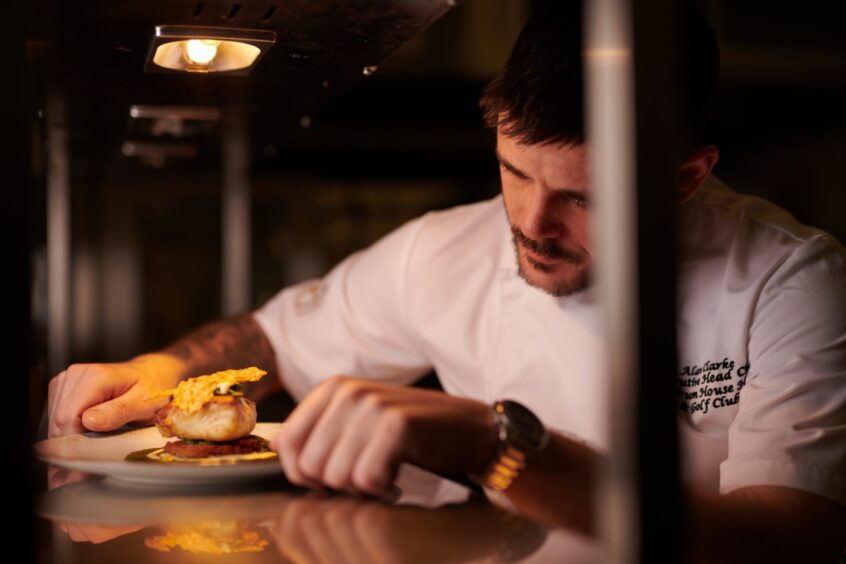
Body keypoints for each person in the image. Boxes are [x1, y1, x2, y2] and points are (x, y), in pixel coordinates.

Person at [46, 2, 845, 561]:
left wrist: (493, 443)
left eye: (584, 197)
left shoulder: (791, 280)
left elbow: (788, 542)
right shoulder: (441, 253)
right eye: (513, 172)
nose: (532, 223)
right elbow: (268, 339)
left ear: (685, 178)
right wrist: (157, 373)